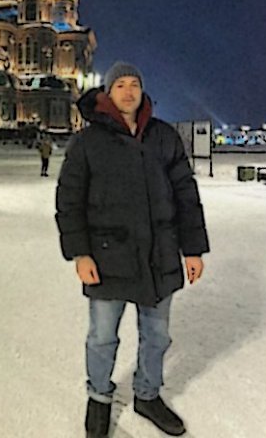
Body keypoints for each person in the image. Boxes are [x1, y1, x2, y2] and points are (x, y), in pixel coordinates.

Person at [55, 61, 209, 437]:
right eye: (120, 84)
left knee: (157, 336)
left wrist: (192, 249)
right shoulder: (88, 142)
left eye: (134, 84)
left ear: (142, 91)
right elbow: (69, 201)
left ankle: (147, 394)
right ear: (108, 93)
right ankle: (99, 398)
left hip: (159, 254)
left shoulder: (163, 137)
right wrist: (81, 253)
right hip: (108, 254)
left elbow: (186, 194)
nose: (128, 91)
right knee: (102, 336)